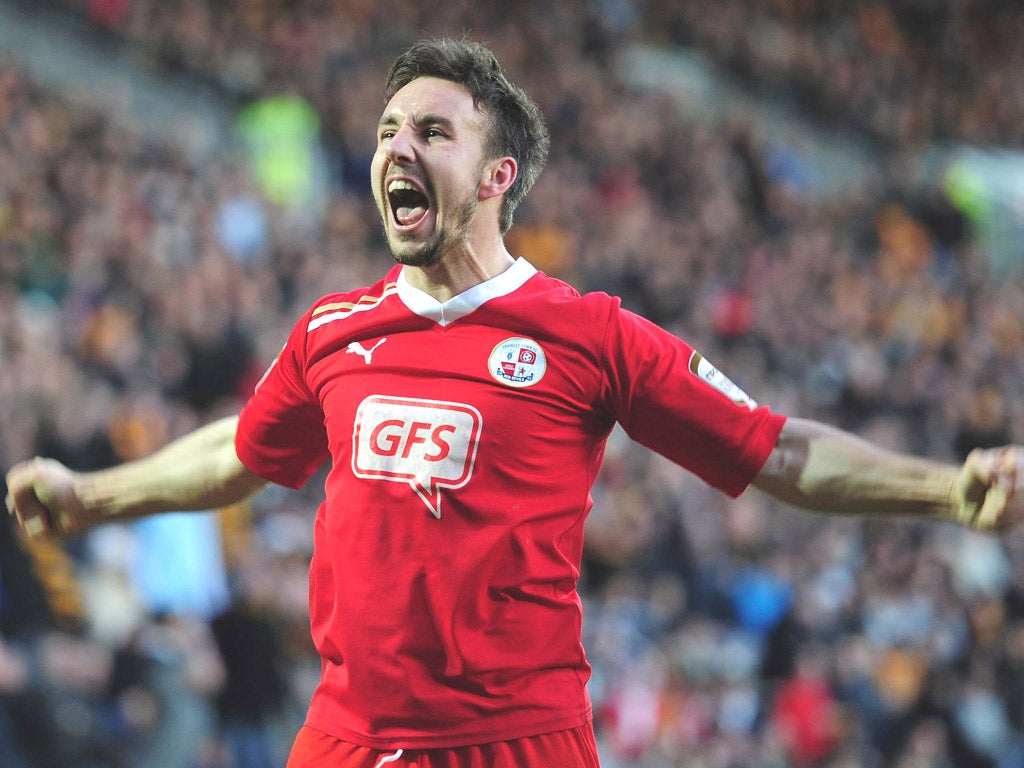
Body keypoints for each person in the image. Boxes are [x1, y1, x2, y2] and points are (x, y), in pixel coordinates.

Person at [5, 37, 1023, 768]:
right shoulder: (332, 329)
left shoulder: (587, 333)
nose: (396, 148)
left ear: (496, 177)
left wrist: (944, 491)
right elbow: (243, 453)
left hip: (513, 746)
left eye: (431, 131)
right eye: (387, 129)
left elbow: (775, 451)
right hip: (343, 739)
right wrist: (94, 497)